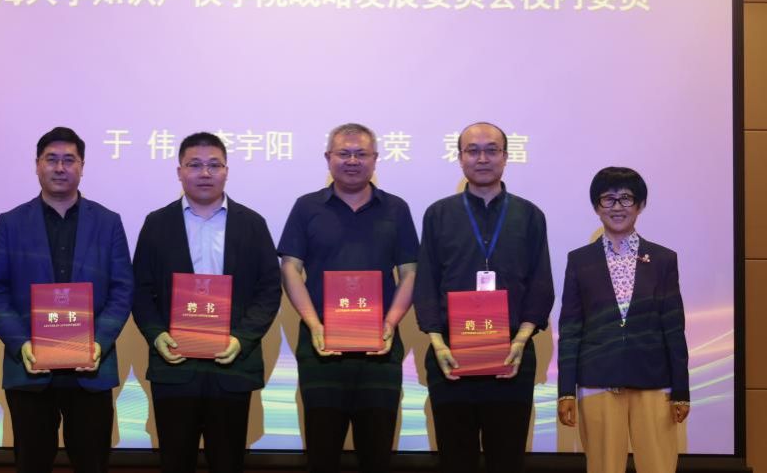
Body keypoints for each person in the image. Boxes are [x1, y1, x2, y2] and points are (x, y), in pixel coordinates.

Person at [0, 126, 134, 473]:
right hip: (30, 370)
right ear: (37, 165)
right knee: (32, 464)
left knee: (93, 464)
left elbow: (123, 288)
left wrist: (99, 342)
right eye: (51, 159)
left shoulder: (108, 223)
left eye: (69, 160)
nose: (60, 167)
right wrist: (21, 343)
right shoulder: (11, 223)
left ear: (82, 166)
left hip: (91, 369)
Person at [132, 132, 281, 473]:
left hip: (232, 364)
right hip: (175, 365)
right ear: (179, 171)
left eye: (214, 165)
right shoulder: (157, 224)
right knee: (175, 461)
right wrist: (156, 334)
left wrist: (242, 339)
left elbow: (269, 289)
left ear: (226, 171)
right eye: (194, 165)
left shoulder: (252, 224)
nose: (204, 173)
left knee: (228, 462)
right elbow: (139, 288)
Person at [413, 121, 554, 473]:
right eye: (472, 151)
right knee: (454, 459)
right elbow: (426, 281)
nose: (482, 158)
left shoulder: (529, 215)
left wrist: (521, 339)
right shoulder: (438, 214)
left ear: (505, 156)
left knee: (506, 459)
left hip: (511, 355)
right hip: (450, 357)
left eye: (492, 150)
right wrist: (437, 342)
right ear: (459, 157)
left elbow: (540, 283)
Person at [279, 123, 419, 473]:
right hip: (321, 349)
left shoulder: (396, 208)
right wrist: (314, 324)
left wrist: (391, 323)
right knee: (322, 454)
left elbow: (410, 272)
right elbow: (290, 267)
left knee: (377, 455)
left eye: (361, 154)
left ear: (375, 159)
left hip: (380, 351)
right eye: (344, 153)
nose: (352, 161)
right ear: (328, 158)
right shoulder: (306, 207)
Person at [557, 167, 689, 473]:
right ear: (596, 206)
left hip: (654, 381)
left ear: (640, 205)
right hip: (597, 379)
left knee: (659, 466)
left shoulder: (663, 259)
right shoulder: (580, 260)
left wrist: (681, 390)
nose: (617, 207)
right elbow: (571, 329)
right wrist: (566, 390)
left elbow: (673, 326)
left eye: (626, 198)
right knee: (603, 467)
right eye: (608, 199)